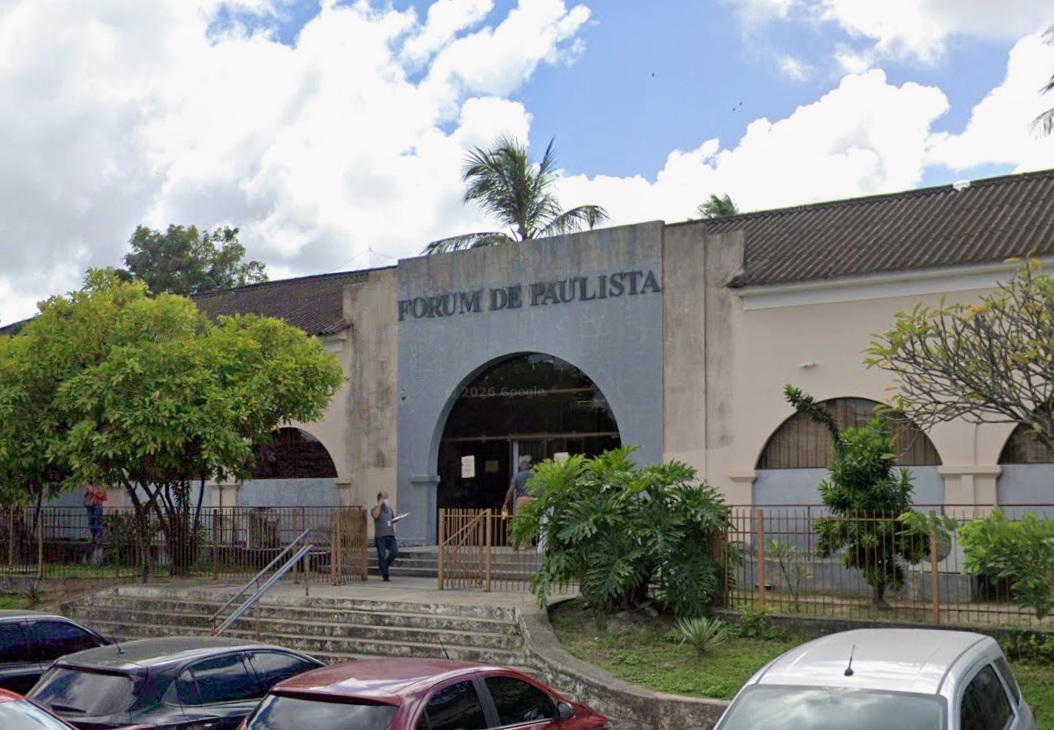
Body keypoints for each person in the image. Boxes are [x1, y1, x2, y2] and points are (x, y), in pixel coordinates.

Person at [371, 490, 399, 582]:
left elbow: (392, 519)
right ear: (380, 499)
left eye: (387, 498)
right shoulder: (375, 508)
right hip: (380, 536)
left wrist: (398, 517)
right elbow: (375, 515)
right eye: (385, 498)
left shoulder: (389, 509)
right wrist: (379, 505)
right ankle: (385, 575)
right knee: (382, 555)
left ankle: (383, 566)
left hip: (390, 535)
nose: (387, 500)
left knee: (394, 552)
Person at [83, 484, 107, 567]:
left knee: (98, 522)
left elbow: (102, 491)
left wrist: (95, 490)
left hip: (97, 501)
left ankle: (97, 538)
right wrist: (88, 488)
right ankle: (95, 537)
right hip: (90, 502)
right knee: (91, 522)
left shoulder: (100, 482)